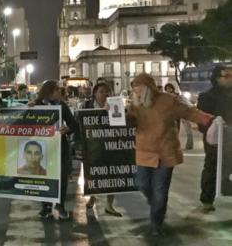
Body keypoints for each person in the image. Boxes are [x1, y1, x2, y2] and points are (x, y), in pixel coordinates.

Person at [114, 73, 215, 235]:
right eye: (133, 86)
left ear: (147, 86)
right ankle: (157, 207)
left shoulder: (168, 100)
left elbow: (189, 112)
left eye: (137, 85)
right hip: (144, 152)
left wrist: (209, 120)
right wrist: (113, 112)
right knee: (142, 184)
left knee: (160, 190)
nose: (134, 89)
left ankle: (157, 221)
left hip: (165, 152)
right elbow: (128, 120)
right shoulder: (136, 103)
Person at [27, 80, 79, 219]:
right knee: (43, 175)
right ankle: (46, 206)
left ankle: (60, 205)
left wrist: (67, 129)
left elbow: (74, 123)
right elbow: (25, 122)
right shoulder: (37, 105)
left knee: (61, 177)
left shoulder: (61, 105)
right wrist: (27, 109)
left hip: (60, 146)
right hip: (43, 147)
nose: (59, 92)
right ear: (49, 91)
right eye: (56, 90)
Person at [78, 83, 122, 217]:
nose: (105, 95)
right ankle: (92, 198)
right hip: (92, 147)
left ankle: (109, 205)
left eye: (107, 91)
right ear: (95, 94)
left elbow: (121, 125)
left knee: (111, 175)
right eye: (101, 92)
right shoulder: (86, 106)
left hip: (110, 146)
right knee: (92, 174)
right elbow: (79, 123)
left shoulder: (116, 105)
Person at [197, 65, 232, 212]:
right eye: (227, 76)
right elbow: (202, 120)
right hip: (215, 140)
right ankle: (207, 199)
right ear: (217, 79)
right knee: (212, 167)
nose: (231, 79)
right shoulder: (207, 96)